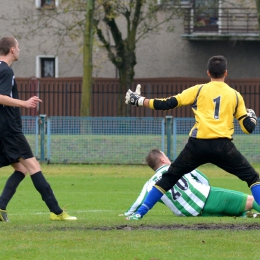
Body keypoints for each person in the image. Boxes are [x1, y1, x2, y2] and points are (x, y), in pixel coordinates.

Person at [125, 55, 260, 220]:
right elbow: (248, 128)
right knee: (253, 178)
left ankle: (139, 214)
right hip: (223, 146)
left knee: (170, 177)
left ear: (208, 73)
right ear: (226, 73)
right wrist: (252, 117)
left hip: (197, 145)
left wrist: (139, 101)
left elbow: (167, 103)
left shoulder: (198, 90)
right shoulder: (235, 95)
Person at [0, 36, 77, 221]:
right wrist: (24, 103)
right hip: (9, 129)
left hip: (3, 129)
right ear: (11, 49)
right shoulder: (5, 70)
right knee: (33, 166)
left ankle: (1, 206)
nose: (19, 49)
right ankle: (57, 212)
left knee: (21, 169)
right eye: (18, 46)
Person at [123, 149, 260, 219]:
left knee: (232, 213)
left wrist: (129, 214)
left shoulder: (150, 184)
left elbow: (139, 202)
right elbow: (204, 179)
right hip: (207, 197)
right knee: (251, 200)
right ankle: (249, 213)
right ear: (162, 159)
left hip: (190, 214)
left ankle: (248, 216)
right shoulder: (178, 167)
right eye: (165, 156)